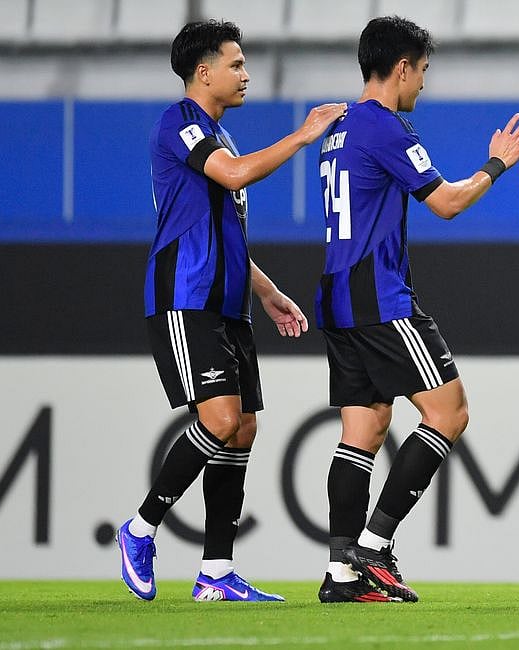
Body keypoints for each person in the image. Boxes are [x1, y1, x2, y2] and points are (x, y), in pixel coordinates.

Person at [115, 19, 346, 603]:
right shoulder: (179, 124)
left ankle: (215, 573)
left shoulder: (220, 135)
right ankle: (141, 528)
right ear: (203, 70)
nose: (246, 74)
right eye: (236, 64)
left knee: (241, 427)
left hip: (228, 303)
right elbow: (234, 176)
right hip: (184, 296)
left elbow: (227, 229)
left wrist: (265, 291)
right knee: (218, 421)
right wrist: (302, 136)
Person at [313, 15, 519, 603]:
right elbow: (447, 203)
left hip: (337, 295)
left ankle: (340, 576)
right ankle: (374, 543)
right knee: (451, 411)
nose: (423, 86)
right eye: (423, 72)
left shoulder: (338, 127)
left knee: (363, 428)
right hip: (380, 296)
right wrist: (498, 164)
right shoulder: (385, 126)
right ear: (402, 67)